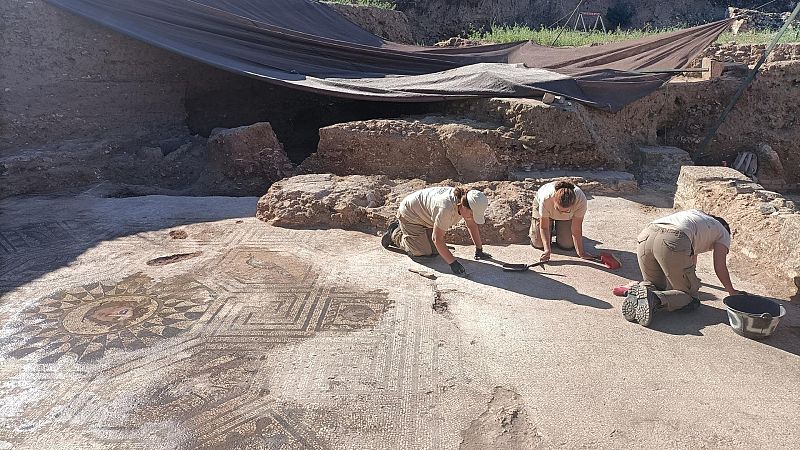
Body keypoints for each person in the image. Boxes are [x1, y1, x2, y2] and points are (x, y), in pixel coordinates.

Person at [623, 209, 741, 327]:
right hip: (673, 239)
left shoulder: (697, 217)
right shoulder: (723, 232)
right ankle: (653, 298)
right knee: (690, 297)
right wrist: (731, 291)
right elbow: (719, 266)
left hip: (647, 234)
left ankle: (640, 292)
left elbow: (689, 258)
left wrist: (690, 279)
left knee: (655, 285)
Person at [381, 186, 490, 275]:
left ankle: (412, 235)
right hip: (410, 215)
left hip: (426, 217)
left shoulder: (465, 202)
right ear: (464, 207)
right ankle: (395, 232)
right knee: (422, 254)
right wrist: (453, 263)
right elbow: (437, 238)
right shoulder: (446, 208)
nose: (471, 217)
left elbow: (472, 225)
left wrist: (479, 249)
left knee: (435, 252)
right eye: (471, 214)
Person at [529, 180, 593, 262]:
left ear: (573, 205)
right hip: (545, 211)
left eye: (565, 211)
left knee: (567, 246)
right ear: (554, 200)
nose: (561, 213)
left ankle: (557, 228)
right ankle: (539, 227)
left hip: (566, 218)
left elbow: (576, 229)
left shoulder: (580, 200)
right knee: (538, 243)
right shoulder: (546, 198)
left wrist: (581, 252)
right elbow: (544, 227)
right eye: (558, 209)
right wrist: (547, 250)